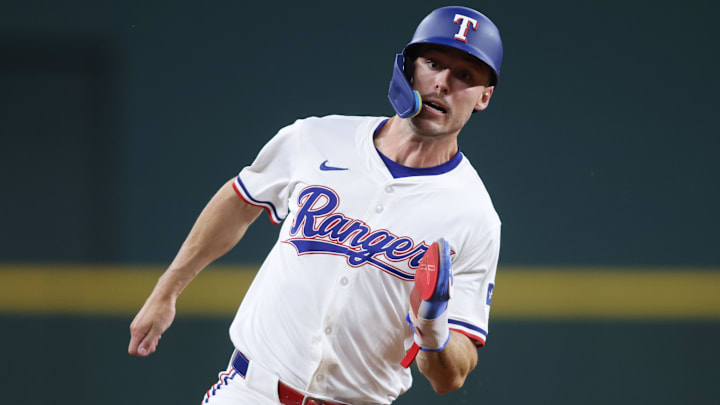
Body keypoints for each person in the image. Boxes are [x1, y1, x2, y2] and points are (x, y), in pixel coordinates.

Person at [128, 6, 503, 405]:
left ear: (484, 96)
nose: (443, 82)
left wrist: (433, 331)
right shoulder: (316, 137)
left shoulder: (474, 214)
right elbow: (240, 200)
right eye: (433, 63)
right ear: (408, 68)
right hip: (251, 391)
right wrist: (166, 290)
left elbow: (451, 376)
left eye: (464, 75)